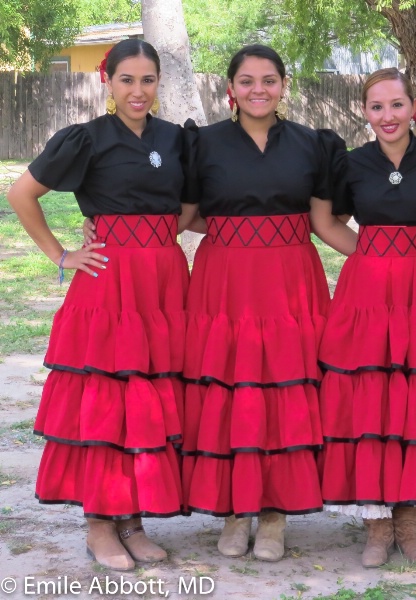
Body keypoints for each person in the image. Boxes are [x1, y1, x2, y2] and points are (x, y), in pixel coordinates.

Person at [6, 39, 191, 571]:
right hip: (109, 284)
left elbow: (188, 205)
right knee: (107, 400)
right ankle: (99, 523)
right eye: (128, 79)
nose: (138, 90)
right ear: (107, 81)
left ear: (159, 83)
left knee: (148, 398)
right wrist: (62, 254)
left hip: (162, 282)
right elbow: (21, 194)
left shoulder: (175, 139)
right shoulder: (86, 139)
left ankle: (132, 520)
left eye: (148, 80)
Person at [178, 45, 337, 561]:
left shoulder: (313, 144)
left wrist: (384, 257)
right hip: (225, 279)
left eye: (269, 79)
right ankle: (233, 511)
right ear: (231, 88)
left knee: (282, 389)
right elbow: (185, 213)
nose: (258, 90)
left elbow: (325, 219)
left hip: (291, 277)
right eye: (246, 81)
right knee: (230, 387)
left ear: (284, 85)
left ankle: (273, 516)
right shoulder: (202, 143)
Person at [311, 68, 416, 568]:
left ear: (414, 106)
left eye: (397, 105)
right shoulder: (351, 163)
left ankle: (410, 525)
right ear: (365, 111)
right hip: (368, 291)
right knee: (372, 401)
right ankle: (377, 529)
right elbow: (324, 220)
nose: (388, 116)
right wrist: (372, 253)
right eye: (377, 107)